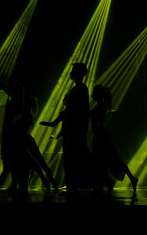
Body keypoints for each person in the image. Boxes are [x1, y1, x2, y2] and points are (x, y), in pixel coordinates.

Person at [91, 85, 138, 193]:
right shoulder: (101, 106)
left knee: (103, 160)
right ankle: (127, 179)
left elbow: (98, 122)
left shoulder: (101, 106)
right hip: (101, 134)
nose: (93, 95)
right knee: (110, 159)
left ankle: (108, 182)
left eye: (95, 92)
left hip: (100, 135)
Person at [62, 63, 91, 194]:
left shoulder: (80, 89)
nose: (70, 73)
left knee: (75, 157)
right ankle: (75, 184)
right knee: (78, 157)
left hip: (75, 130)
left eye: (73, 70)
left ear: (78, 73)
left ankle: (73, 185)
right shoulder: (80, 89)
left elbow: (80, 110)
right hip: (75, 129)